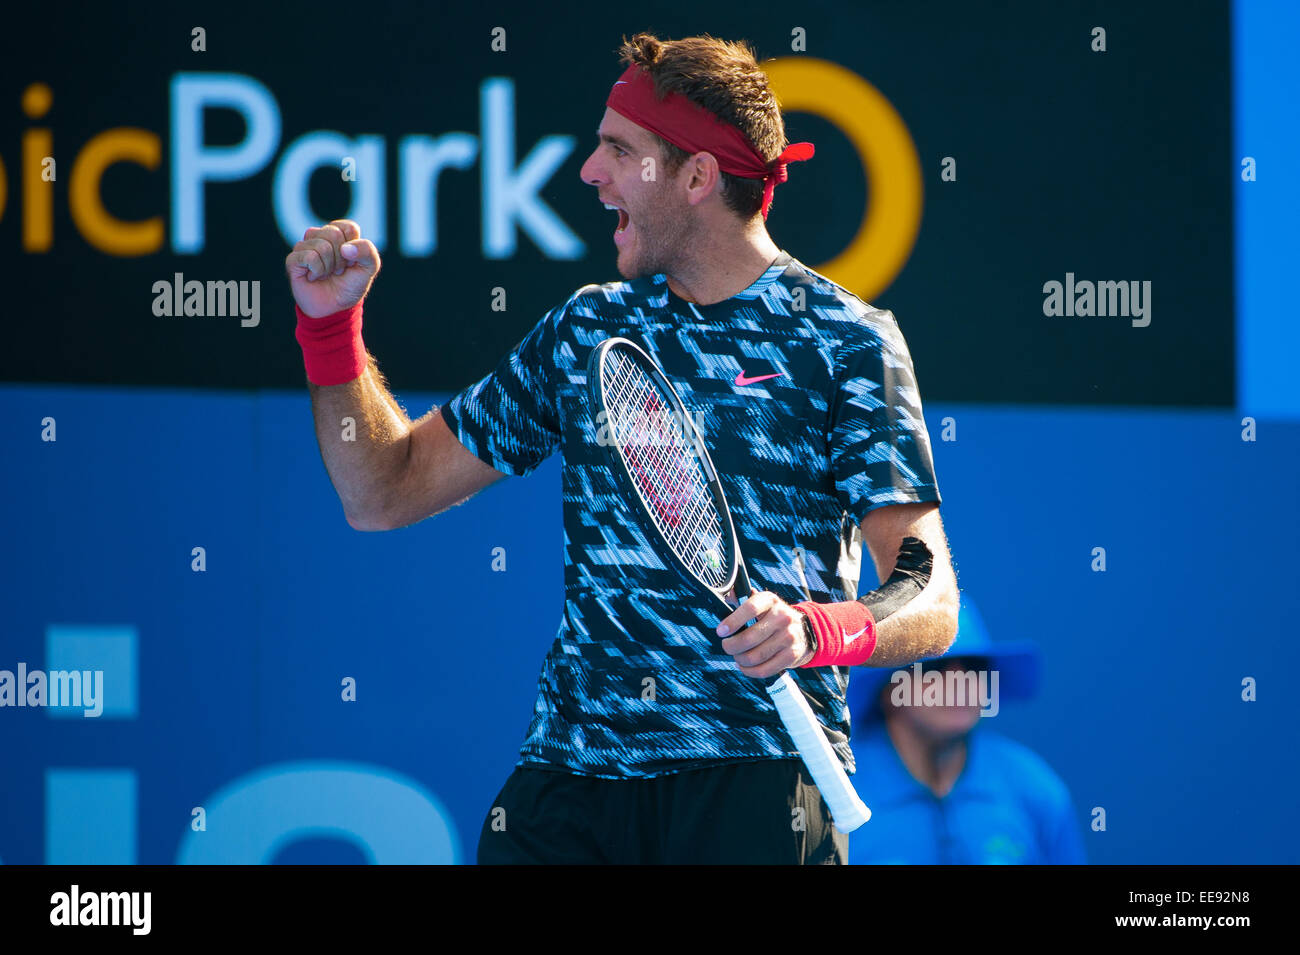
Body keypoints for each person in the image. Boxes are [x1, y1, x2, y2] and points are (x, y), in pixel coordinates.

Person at [284, 32, 959, 864]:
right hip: (568, 789)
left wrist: (818, 630)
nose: (588, 173)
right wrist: (330, 331)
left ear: (697, 176)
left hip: (755, 785)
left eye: (618, 149)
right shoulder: (587, 329)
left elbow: (931, 599)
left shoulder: (846, 342)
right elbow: (381, 491)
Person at [847, 599, 1086, 864]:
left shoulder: (1033, 786)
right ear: (886, 690)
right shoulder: (835, 793)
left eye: (973, 666)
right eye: (933, 667)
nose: (960, 683)